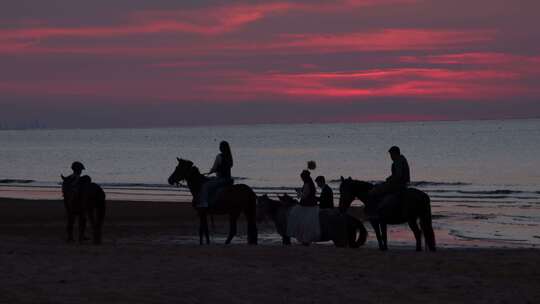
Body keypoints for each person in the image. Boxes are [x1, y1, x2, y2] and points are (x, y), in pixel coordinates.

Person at [368, 146, 410, 215]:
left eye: (391, 154)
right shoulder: (402, 159)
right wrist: (389, 178)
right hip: (401, 183)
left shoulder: (398, 161)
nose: (391, 157)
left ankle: (377, 211)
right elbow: (397, 174)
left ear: (395, 154)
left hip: (398, 184)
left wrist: (389, 180)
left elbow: (398, 175)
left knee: (376, 190)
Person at [199, 141, 234, 208]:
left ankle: (204, 203)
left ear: (221, 148)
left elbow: (214, 168)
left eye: (220, 146)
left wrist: (210, 172)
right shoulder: (229, 156)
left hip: (221, 179)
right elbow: (229, 166)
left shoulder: (219, 156)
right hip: (228, 179)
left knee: (205, 186)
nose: (219, 148)